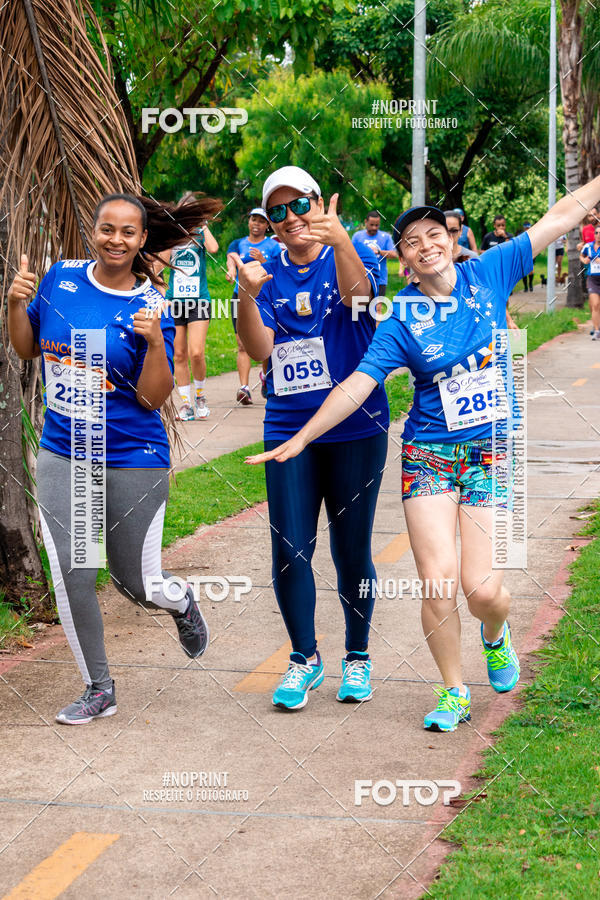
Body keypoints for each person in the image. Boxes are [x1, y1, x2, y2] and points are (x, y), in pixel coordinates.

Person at [248, 175, 600, 732]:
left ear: (452, 241)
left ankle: (494, 633)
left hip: (490, 451)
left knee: (484, 591)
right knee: (437, 581)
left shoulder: (490, 271)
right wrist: (302, 436)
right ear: (404, 260)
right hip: (429, 452)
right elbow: (359, 384)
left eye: (435, 233)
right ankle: (454, 692)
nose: (426, 244)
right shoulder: (400, 315)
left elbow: (558, 218)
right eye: (412, 242)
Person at [7, 192, 220, 724]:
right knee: (74, 572)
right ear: (94, 231)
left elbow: (153, 398)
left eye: (128, 232)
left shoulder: (151, 305)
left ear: (142, 239)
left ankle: (179, 601)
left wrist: (153, 345)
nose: (116, 240)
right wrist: (14, 304)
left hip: (132, 454)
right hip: (66, 450)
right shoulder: (60, 278)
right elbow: (27, 348)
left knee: (136, 584)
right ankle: (98, 687)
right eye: (107, 229)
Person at [237, 165, 388, 711]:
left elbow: (361, 301)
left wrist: (343, 238)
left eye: (299, 204)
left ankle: (358, 655)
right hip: (286, 427)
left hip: (355, 426)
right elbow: (259, 350)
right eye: (277, 211)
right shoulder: (264, 270)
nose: (290, 218)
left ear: (320, 203)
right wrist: (245, 295)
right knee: (289, 547)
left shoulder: (354, 253)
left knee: (353, 549)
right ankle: (304, 659)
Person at [165, 199, 219, 421]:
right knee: (178, 354)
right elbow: (162, 261)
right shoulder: (172, 234)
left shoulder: (199, 234)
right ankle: (186, 405)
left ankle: (200, 397)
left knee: (196, 352)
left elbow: (215, 249)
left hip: (198, 300)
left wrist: (203, 224)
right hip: (174, 301)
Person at [226, 208, 280, 404]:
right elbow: (231, 260)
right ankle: (244, 388)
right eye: (253, 219)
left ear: (267, 226)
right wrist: (231, 272)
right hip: (240, 298)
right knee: (242, 344)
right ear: (248, 222)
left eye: (261, 221)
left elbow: (277, 273)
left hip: (264, 299)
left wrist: (262, 260)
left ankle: (266, 378)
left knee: (267, 345)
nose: (256, 224)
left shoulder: (273, 246)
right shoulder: (238, 243)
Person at [352, 210, 398, 297]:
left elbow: (394, 254)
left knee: (377, 308)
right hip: (360, 278)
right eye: (371, 225)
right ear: (366, 222)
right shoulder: (357, 236)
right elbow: (350, 254)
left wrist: (379, 251)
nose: (374, 228)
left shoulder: (386, 237)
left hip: (380, 279)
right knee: (360, 308)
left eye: (377, 225)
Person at [580, 223, 600, 340]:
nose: (598, 235)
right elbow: (581, 256)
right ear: (594, 235)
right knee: (595, 304)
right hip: (592, 278)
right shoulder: (588, 246)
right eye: (596, 233)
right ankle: (596, 330)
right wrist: (585, 260)